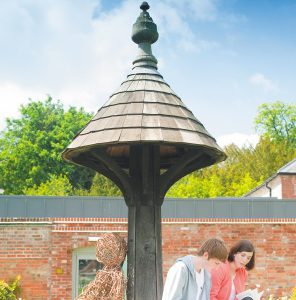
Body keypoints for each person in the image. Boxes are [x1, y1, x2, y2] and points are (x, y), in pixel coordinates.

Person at [162, 238, 228, 300]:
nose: (217, 268)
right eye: (216, 263)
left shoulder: (206, 275)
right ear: (206, 255)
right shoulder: (180, 269)